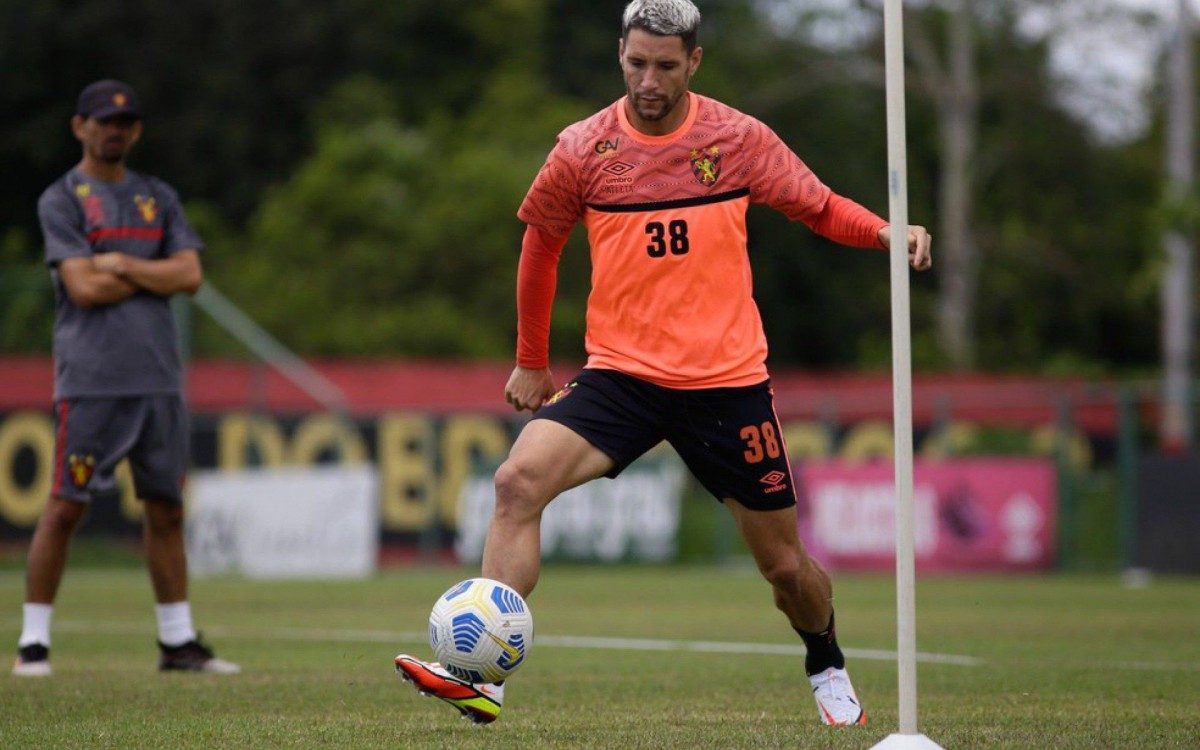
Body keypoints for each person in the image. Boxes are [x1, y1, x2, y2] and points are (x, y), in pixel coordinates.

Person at [395, 0, 931, 726]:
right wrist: (531, 360)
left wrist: (883, 232)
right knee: (517, 482)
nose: (649, 81)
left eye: (666, 67)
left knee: (783, 568)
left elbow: (817, 206)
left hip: (728, 383)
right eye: (637, 63)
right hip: (623, 376)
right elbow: (539, 246)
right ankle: (484, 677)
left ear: (695, 63)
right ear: (620, 53)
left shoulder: (737, 139)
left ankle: (825, 657)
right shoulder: (581, 149)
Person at [12, 80, 239, 676]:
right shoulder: (61, 198)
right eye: (103, 121)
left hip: (159, 380)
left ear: (135, 130)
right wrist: (150, 272)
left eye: (125, 122)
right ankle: (33, 643)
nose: (115, 130)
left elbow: (189, 274)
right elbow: (83, 288)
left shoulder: (157, 197)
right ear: (79, 127)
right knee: (66, 507)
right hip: (92, 381)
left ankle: (177, 641)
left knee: (165, 508)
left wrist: (121, 262)